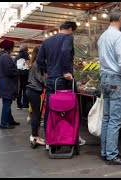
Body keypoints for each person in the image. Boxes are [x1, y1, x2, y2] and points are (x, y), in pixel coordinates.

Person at [36, 21, 85, 150]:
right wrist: (65, 71)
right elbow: (64, 51)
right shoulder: (68, 37)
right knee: (68, 110)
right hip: (64, 80)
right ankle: (69, 137)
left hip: (52, 79)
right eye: (72, 31)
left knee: (51, 109)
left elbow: (39, 60)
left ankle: (50, 140)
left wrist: (48, 70)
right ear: (69, 29)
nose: (72, 33)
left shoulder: (47, 41)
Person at [97, 6, 121, 165]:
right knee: (115, 120)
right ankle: (112, 155)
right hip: (117, 80)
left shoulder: (102, 37)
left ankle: (105, 152)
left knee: (106, 118)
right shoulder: (119, 37)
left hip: (105, 78)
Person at [0, 40, 20, 129]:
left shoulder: (2, 56)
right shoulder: (5, 57)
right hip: (6, 84)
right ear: (10, 48)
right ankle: (4, 123)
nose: (13, 48)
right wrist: (18, 71)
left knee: (7, 103)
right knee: (7, 103)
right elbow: (10, 71)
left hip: (4, 83)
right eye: (12, 47)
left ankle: (9, 120)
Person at [26, 45, 46, 146]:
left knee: (36, 113)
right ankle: (35, 135)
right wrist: (47, 81)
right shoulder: (37, 63)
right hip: (33, 90)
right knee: (36, 114)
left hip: (31, 90)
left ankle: (35, 135)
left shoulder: (34, 63)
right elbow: (39, 77)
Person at [14, 44, 30, 110]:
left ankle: (19, 104)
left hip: (18, 73)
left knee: (19, 89)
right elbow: (28, 63)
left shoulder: (17, 56)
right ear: (26, 49)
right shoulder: (25, 54)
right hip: (24, 73)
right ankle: (25, 105)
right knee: (25, 88)